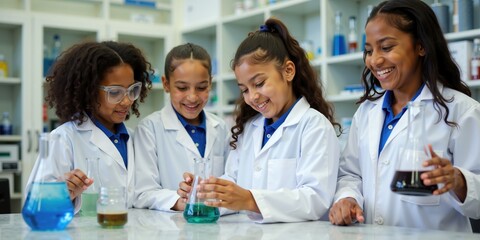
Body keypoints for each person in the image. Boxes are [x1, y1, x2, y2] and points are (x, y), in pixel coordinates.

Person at [329, 0, 480, 232]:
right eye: (369, 50)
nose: (375, 60)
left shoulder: (462, 111)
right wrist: (348, 198)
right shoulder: (367, 113)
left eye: (386, 47)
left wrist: (459, 181)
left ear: (421, 46)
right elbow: (351, 174)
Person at [178, 18, 341, 223]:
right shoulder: (250, 128)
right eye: (245, 89)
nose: (252, 96)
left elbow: (316, 199)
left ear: (288, 71)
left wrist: (250, 200)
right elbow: (234, 180)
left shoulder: (314, 126)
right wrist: (206, 191)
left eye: (259, 83)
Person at [26, 41, 153, 214]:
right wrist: (63, 191)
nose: (127, 101)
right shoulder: (63, 139)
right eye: (115, 92)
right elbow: (34, 206)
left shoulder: (134, 137)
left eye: (132, 89)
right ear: (90, 90)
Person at [133, 43, 230, 211]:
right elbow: (143, 193)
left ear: (210, 84)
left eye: (201, 87)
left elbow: (231, 180)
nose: (192, 97)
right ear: (166, 84)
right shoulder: (149, 129)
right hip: (170, 228)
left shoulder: (221, 128)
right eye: (182, 87)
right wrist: (180, 200)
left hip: (214, 223)